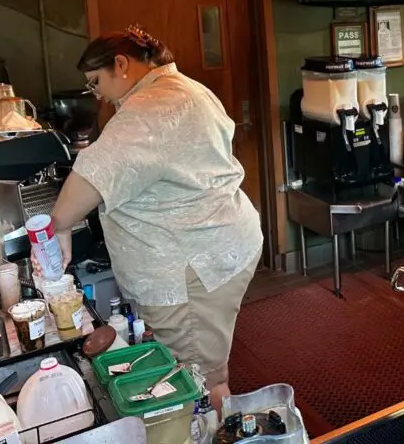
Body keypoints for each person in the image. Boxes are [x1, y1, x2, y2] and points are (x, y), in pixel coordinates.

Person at [43, 26, 263, 415]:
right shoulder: (184, 89)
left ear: (121, 65)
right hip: (216, 244)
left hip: (191, 267)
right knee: (196, 364)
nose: (97, 95)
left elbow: (91, 179)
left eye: (96, 82)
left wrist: (58, 226)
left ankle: (216, 430)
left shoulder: (151, 109)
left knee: (195, 378)